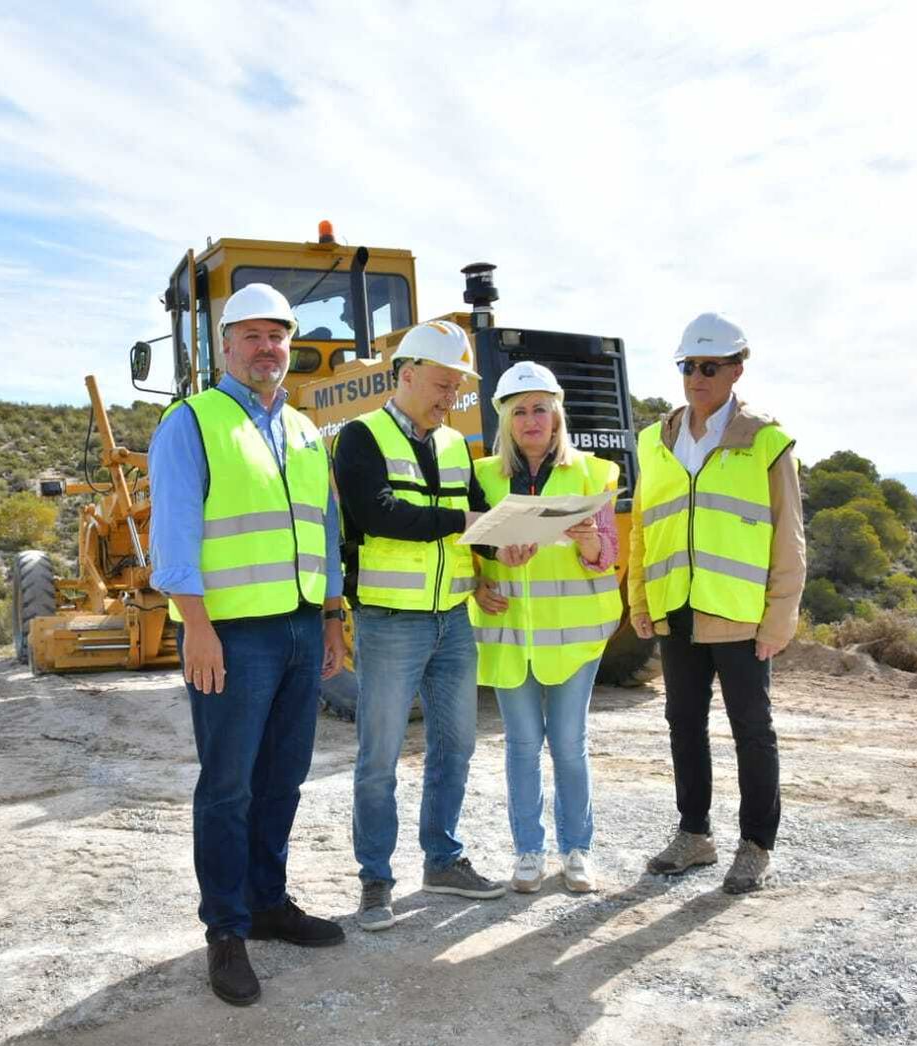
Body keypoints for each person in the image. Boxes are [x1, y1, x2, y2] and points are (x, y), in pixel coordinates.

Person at [148, 282, 348, 1006]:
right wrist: (195, 625)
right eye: (254, 336)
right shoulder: (191, 422)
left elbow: (325, 528)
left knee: (283, 777)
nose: (269, 348)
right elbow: (173, 536)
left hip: (299, 625)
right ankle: (226, 930)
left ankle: (268, 902)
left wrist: (331, 615)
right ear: (225, 346)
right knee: (228, 785)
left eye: (279, 335)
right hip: (229, 632)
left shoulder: (303, 430)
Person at [334, 319, 535, 932]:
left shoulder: (457, 447)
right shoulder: (360, 438)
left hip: (451, 619)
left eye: (458, 386)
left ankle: (442, 860)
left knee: (457, 746)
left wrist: (503, 552)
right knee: (380, 757)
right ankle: (376, 879)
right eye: (444, 384)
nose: (452, 395)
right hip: (390, 623)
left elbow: (475, 527)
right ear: (408, 374)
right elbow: (379, 514)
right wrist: (464, 520)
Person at [629, 312, 806, 894]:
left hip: (739, 612)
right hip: (675, 605)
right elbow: (642, 530)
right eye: (688, 366)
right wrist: (639, 599)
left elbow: (788, 535)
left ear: (736, 369)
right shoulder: (654, 441)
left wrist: (779, 617)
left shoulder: (765, 441)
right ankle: (694, 834)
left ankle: (756, 845)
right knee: (683, 723)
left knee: (752, 729)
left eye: (709, 367)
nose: (696, 377)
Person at [469, 361, 622, 895]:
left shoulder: (593, 473)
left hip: (575, 635)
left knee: (568, 743)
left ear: (557, 415)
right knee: (521, 744)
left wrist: (587, 542)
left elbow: (608, 556)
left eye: (540, 409)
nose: (531, 420)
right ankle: (528, 853)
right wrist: (474, 584)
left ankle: (577, 851)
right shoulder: (483, 476)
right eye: (520, 411)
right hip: (509, 632)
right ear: (506, 421)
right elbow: (467, 546)